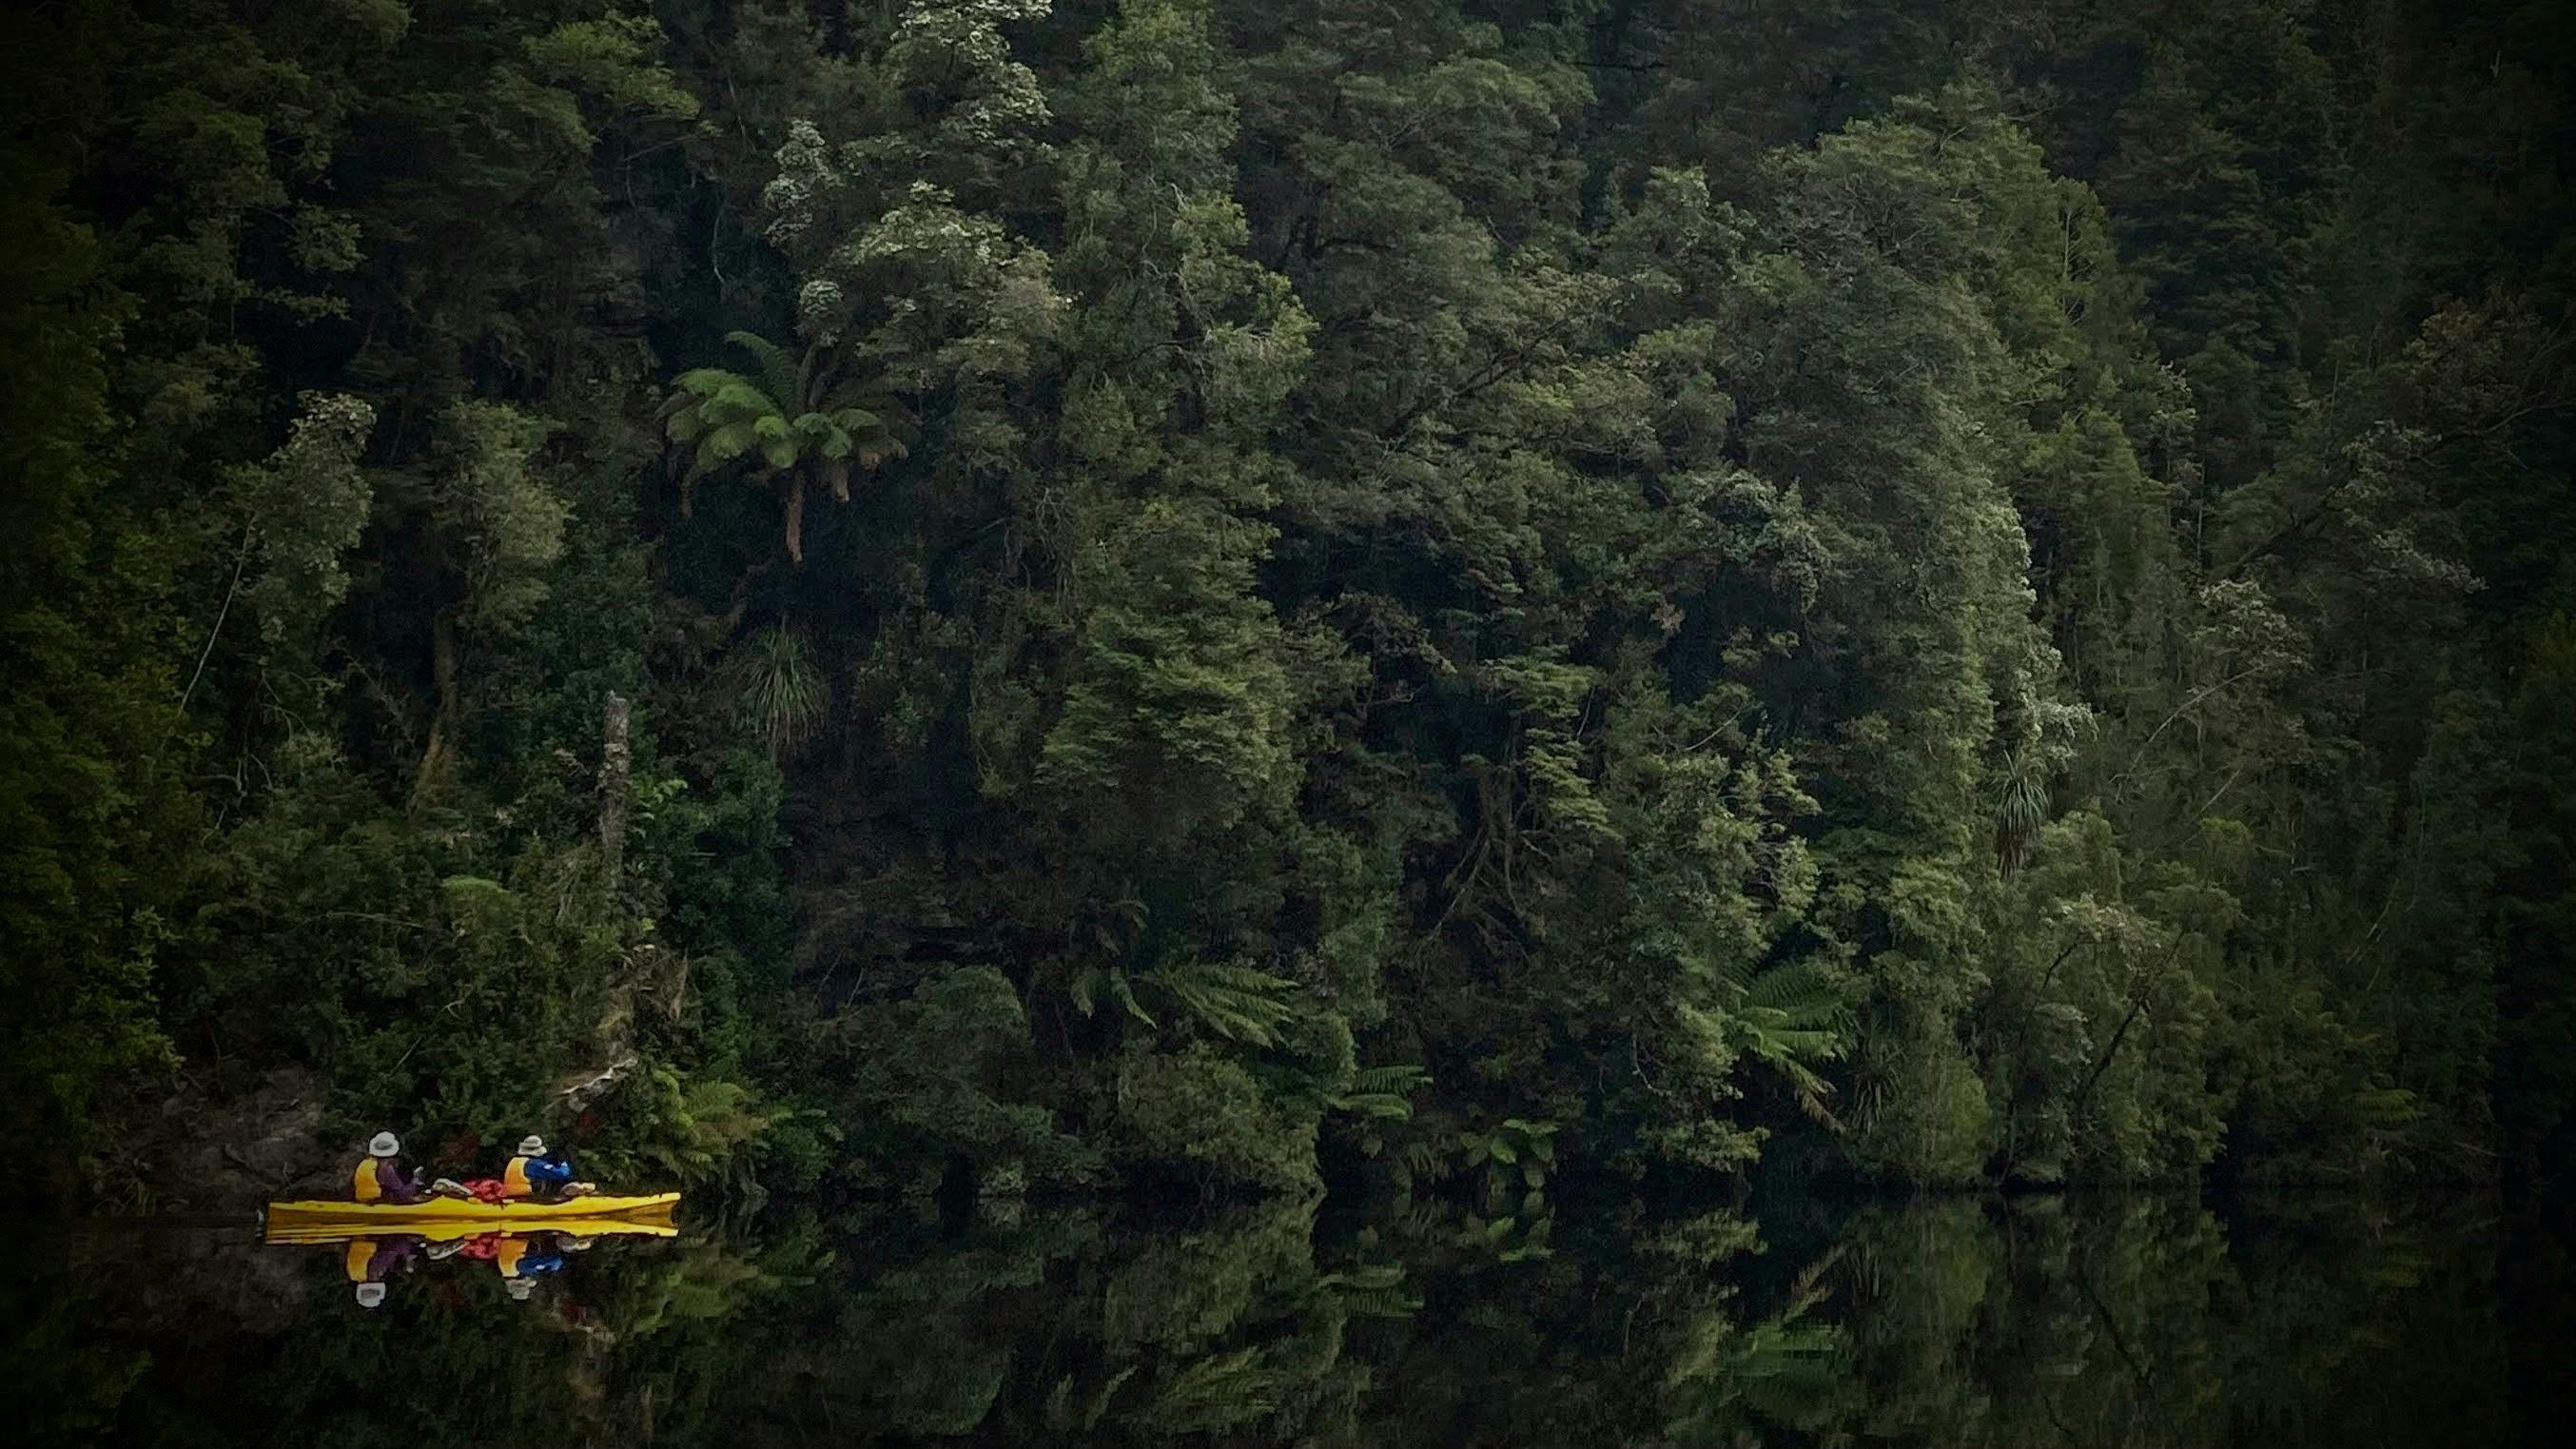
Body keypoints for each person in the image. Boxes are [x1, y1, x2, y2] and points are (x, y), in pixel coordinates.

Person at [501, 1135, 592, 1202]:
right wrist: (563, 1160)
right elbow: (563, 1173)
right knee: (570, 1188)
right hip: (529, 1200)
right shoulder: (533, 1164)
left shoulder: (516, 1160)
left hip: (513, 1199)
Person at [350, 1131, 432, 1204]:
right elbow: (402, 1194)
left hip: (362, 1202)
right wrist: (416, 1181)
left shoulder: (364, 1163)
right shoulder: (386, 1168)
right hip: (382, 1204)